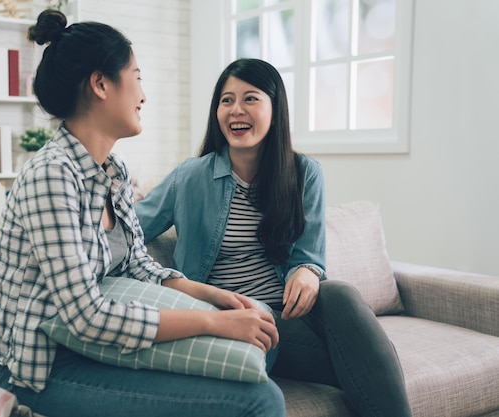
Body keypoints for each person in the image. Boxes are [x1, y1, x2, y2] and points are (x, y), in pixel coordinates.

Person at [0, 10, 285, 417]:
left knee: (257, 340)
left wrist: (218, 298)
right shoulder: (51, 175)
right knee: (261, 400)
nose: (143, 95)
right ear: (101, 84)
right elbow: (86, 317)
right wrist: (215, 323)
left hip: (94, 349)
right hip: (44, 370)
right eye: (137, 77)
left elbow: (139, 266)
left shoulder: (113, 170)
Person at [134, 58, 413, 417]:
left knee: (339, 294)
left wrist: (309, 271)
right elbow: (129, 229)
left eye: (251, 99)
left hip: (287, 319)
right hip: (228, 318)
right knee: (363, 362)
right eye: (226, 100)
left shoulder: (304, 174)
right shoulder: (190, 177)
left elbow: (308, 254)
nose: (236, 110)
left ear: (274, 108)